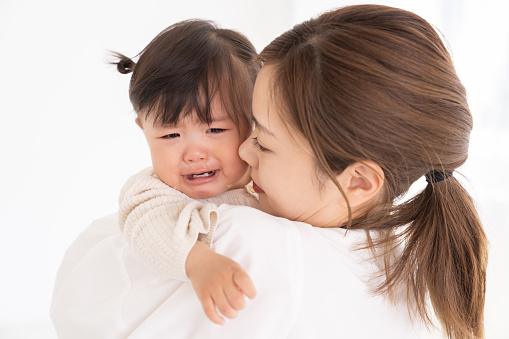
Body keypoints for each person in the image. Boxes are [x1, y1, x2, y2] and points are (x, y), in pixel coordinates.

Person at [50, 5, 488, 339]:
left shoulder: (246, 240)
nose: (241, 149)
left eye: (260, 137)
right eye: (169, 134)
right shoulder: (415, 256)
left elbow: (81, 307)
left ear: (357, 181)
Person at [113, 19, 263, 324]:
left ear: (254, 122)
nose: (194, 154)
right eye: (170, 136)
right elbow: (150, 228)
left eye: (216, 129)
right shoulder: (151, 192)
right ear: (144, 130)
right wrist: (198, 261)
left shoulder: (268, 180)